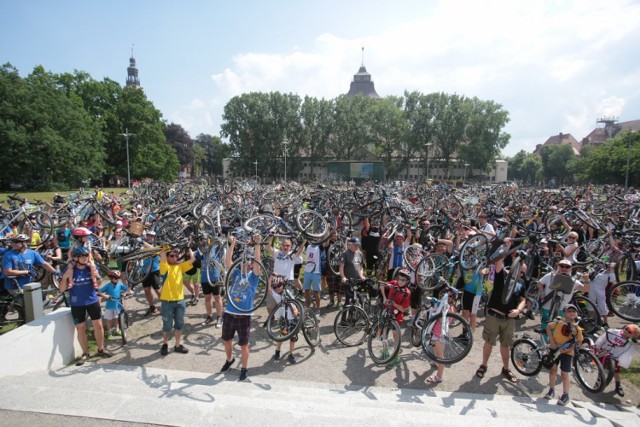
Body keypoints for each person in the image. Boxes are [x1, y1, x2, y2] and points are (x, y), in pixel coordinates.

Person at [475, 238, 526, 383]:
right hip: (493, 314)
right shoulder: (501, 275)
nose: (518, 271)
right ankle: (483, 365)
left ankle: (506, 368)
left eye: (521, 269)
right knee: (489, 342)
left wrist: (518, 310)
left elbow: (523, 300)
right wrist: (507, 247)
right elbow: (498, 262)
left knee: (506, 345)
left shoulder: (521, 283)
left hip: (509, 317)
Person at [59, 246, 112, 365]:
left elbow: (98, 284)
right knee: (81, 328)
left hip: (92, 301)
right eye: (82, 256)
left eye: (87, 255)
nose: (85, 258)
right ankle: (85, 353)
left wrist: (96, 274)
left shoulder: (91, 267)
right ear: (76, 258)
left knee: (98, 326)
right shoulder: (70, 270)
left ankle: (101, 348)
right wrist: (65, 277)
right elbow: (62, 289)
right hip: (77, 303)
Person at [220, 234, 262, 381]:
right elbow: (227, 262)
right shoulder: (236, 273)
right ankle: (229, 359)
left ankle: (244, 368)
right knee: (226, 340)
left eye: (248, 262)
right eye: (242, 262)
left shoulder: (253, 277)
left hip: (244, 316)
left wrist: (257, 245)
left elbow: (258, 264)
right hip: (230, 313)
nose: (245, 264)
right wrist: (232, 244)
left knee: (244, 345)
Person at [543, 304, 584, 406]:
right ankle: (551, 390)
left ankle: (566, 394)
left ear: (577, 314)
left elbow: (579, 341)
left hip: (567, 352)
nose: (572, 313)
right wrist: (552, 342)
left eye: (574, 312)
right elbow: (548, 327)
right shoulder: (559, 321)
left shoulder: (577, 328)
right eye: (569, 311)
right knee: (553, 369)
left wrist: (568, 349)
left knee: (564, 373)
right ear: (564, 313)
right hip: (555, 349)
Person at [158, 247, 196, 356]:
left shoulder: (180, 266)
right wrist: (164, 249)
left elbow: (192, 259)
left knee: (179, 325)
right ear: (168, 258)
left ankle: (177, 345)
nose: (175, 257)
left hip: (180, 301)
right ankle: (165, 344)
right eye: (172, 256)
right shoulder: (165, 267)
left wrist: (189, 247)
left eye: (176, 255)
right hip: (167, 301)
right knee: (167, 326)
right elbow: (162, 255)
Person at [537, 259, 590, 333]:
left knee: (558, 329)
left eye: (567, 267)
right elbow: (539, 283)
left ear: (570, 268)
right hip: (546, 307)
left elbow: (585, 289)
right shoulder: (550, 275)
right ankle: (545, 342)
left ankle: (554, 342)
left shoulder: (572, 281)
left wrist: (587, 279)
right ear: (558, 266)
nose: (564, 268)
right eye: (562, 266)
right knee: (545, 327)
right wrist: (542, 293)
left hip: (561, 309)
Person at [594, 323, 640, 397]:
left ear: (633, 336)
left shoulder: (631, 342)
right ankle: (599, 381)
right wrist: (598, 345)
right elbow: (603, 337)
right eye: (626, 328)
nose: (626, 331)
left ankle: (618, 385)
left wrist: (637, 343)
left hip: (615, 358)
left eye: (629, 332)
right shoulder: (614, 332)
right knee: (601, 368)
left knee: (616, 372)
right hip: (604, 352)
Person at [380, 268, 411, 367]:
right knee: (383, 334)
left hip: (396, 315)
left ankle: (396, 358)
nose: (400, 281)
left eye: (403, 280)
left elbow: (403, 309)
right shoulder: (394, 283)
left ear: (407, 281)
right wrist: (384, 298)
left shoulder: (407, 292)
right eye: (399, 278)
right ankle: (385, 352)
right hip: (387, 312)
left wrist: (394, 304)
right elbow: (382, 285)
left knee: (395, 337)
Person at [269, 275, 299, 364]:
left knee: (293, 338)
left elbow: (295, 302)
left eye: (279, 286)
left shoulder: (289, 292)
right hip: (285, 321)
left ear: (283, 285)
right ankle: (277, 351)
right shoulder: (277, 296)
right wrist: (270, 278)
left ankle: (291, 354)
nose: (277, 288)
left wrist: (296, 309)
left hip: (293, 319)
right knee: (282, 336)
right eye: (275, 287)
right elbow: (269, 289)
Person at [198, 241, 226, 328]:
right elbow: (198, 257)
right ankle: (209, 316)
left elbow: (224, 256)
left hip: (215, 276)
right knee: (207, 298)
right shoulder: (202, 247)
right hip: (204, 277)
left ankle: (219, 317)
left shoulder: (217, 246)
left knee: (217, 298)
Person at [99, 270, 128, 339]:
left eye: (118, 278)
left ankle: (116, 330)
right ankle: (109, 333)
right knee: (109, 320)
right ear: (111, 279)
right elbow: (99, 291)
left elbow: (126, 288)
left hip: (117, 305)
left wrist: (127, 292)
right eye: (115, 278)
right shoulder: (107, 286)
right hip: (109, 307)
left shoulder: (120, 284)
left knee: (116, 318)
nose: (117, 280)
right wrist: (105, 296)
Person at [140, 231, 162, 317]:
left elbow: (154, 250)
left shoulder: (156, 245)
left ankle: (165, 306)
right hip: (144, 271)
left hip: (154, 270)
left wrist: (143, 243)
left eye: (152, 236)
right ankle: (152, 307)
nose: (150, 237)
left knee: (158, 290)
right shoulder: (143, 246)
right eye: (148, 235)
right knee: (147, 290)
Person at [303, 242, 324, 311]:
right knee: (306, 291)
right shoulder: (308, 246)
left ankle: (318, 309)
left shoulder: (319, 246)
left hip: (316, 272)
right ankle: (308, 308)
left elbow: (325, 241)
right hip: (307, 272)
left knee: (316, 292)